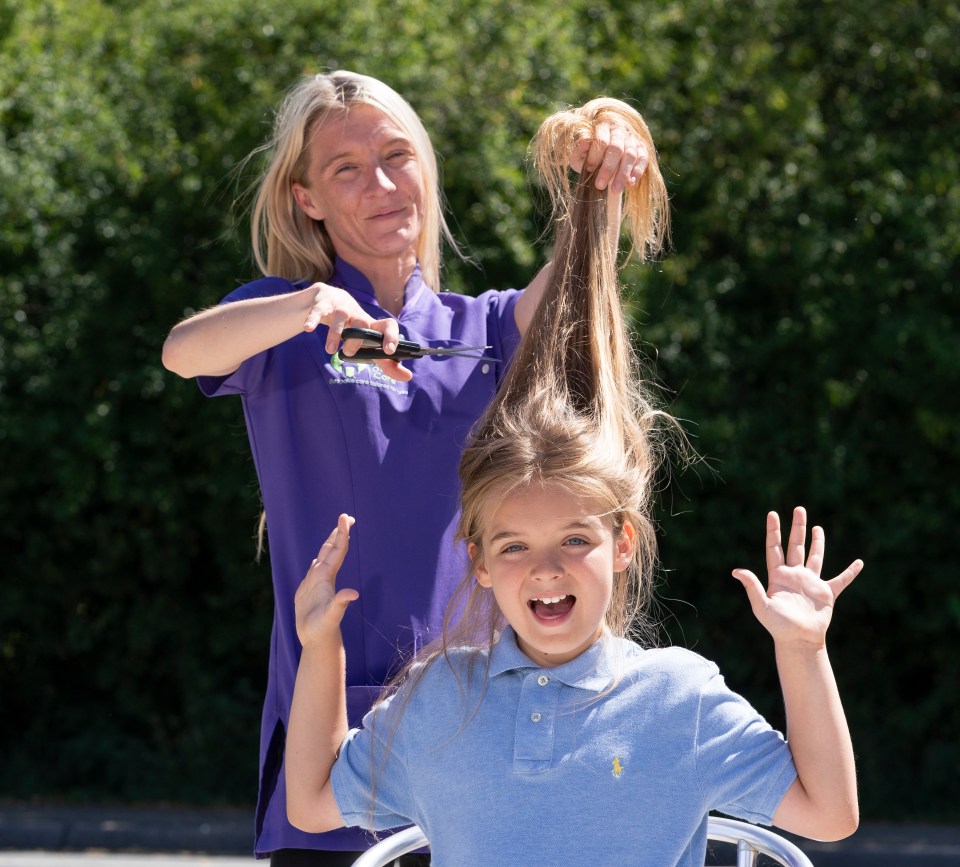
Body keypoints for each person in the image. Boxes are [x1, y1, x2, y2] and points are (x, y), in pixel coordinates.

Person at [283, 100, 862, 865]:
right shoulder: (437, 699)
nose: (547, 567)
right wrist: (318, 647)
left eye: (575, 539)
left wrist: (803, 650)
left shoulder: (678, 696)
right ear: (479, 560)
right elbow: (314, 802)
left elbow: (829, 814)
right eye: (515, 545)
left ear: (623, 542)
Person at [161, 71, 652, 863]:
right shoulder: (283, 321)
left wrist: (604, 180)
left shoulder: (481, 327)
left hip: (479, 738)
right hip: (335, 742)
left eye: (397, 156)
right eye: (345, 170)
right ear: (306, 198)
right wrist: (310, 306)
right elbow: (183, 351)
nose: (382, 184)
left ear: (426, 166)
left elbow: (572, 297)